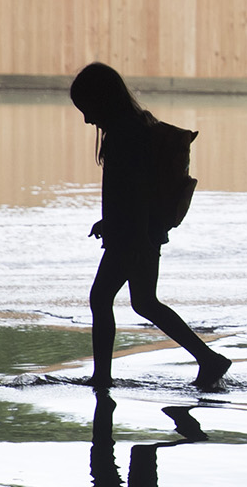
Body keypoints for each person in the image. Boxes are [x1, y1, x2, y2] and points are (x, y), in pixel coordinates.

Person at [69, 62, 231, 390]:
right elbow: (129, 190)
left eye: (87, 109)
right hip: (140, 230)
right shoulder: (135, 125)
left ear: (102, 100)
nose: (87, 119)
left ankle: (102, 378)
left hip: (134, 235)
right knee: (144, 302)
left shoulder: (124, 132)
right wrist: (111, 221)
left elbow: (137, 189)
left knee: (101, 299)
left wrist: (137, 238)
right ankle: (208, 359)